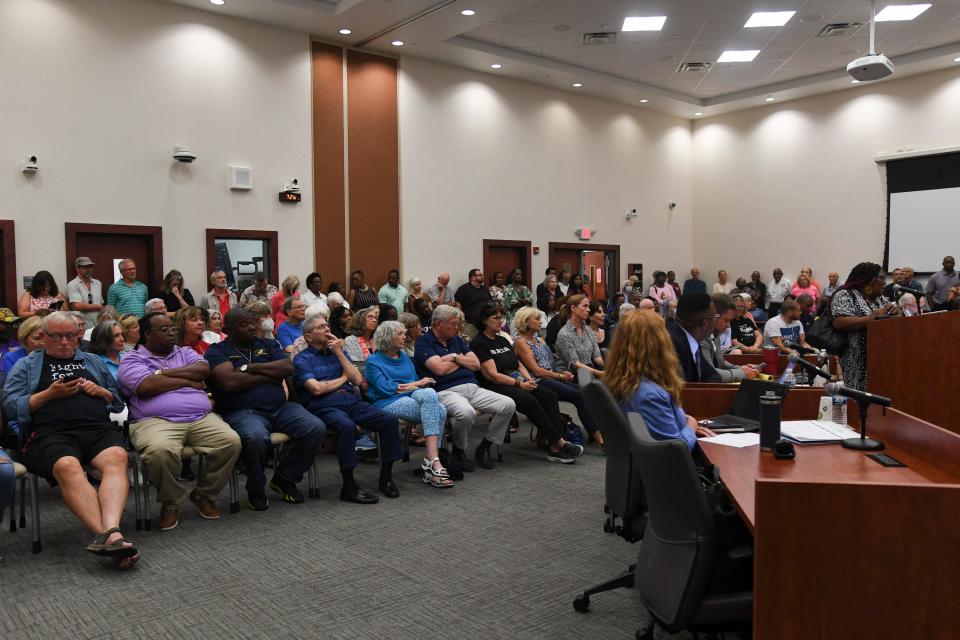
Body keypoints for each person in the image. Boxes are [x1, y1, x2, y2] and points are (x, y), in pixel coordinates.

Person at [2, 311, 137, 568]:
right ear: (43, 337)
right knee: (67, 466)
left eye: (70, 336)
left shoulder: (93, 361)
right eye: (56, 337)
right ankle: (113, 537)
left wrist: (102, 392)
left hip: (96, 429)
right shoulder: (27, 365)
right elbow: (10, 407)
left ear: (78, 336)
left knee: (117, 457)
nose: (64, 342)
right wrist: (48, 395)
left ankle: (109, 532)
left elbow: (117, 399)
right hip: (47, 434)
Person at [118, 313, 241, 530]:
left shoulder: (184, 351)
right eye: (164, 330)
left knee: (231, 441)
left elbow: (203, 370)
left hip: (200, 417)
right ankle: (172, 502)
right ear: (147, 334)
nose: (171, 332)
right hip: (153, 421)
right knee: (159, 451)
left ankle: (204, 495)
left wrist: (161, 373)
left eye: (172, 328)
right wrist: (187, 380)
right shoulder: (132, 358)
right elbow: (146, 386)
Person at [204, 308, 325, 511]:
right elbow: (230, 383)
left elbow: (288, 368)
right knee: (256, 437)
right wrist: (270, 373)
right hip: (242, 410)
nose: (251, 327)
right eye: (244, 324)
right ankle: (256, 489)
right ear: (228, 329)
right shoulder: (217, 351)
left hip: (280, 407)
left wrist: (250, 368)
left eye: (252, 322)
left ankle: (284, 479)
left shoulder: (267, 344)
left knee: (315, 427)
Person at [294, 314, 402, 503]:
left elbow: (358, 380)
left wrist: (339, 353)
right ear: (308, 337)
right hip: (324, 405)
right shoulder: (303, 359)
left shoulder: (338, 353)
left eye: (327, 325)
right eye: (321, 327)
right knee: (346, 426)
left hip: (351, 402)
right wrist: (343, 379)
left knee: (389, 421)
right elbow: (317, 389)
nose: (327, 329)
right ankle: (349, 486)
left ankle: (386, 477)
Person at [471, 304, 583, 464]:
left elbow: (517, 364)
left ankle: (555, 447)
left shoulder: (502, 339)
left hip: (516, 379)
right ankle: (559, 443)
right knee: (530, 401)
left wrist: (527, 379)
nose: (500, 322)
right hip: (497, 385)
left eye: (501, 318)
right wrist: (520, 384)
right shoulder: (479, 343)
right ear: (483, 321)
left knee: (549, 396)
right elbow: (493, 375)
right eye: (495, 318)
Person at [413, 305, 515, 479]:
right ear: (438, 324)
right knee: (465, 413)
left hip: (472, 388)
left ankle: (485, 446)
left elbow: (476, 364)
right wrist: (462, 360)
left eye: (458, 323)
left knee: (508, 404)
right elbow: (439, 369)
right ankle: (459, 451)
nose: (457, 327)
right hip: (446, 391)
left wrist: (453, 357)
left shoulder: (457, 340)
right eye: (453, 324)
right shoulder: (424, 342)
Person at [606, 310, 716, 453]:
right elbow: (675, 450)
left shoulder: (624, 380)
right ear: (659, 343)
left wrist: (684, 421)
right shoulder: (649, 394)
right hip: (672, 469)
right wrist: (691, 426)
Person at [366, 321, 452, 488]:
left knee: (439, 406)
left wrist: (416, 385)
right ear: (388, 337)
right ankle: (433, 462)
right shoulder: (373, 361)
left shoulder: (403, 356)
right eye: (400, 334)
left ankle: (432, 462)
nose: (404, 336)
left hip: (409, 395)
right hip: (386, 402)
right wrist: (417, 385)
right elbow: (385, 389)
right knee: (437, 408)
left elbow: (412, 381)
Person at [513, 306, 603, 447]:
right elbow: (537, 371)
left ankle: (595, 431)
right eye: (536, 319)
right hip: (539, 381)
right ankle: (598, 437)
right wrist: (560, 375)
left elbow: (550, 364)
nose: (540, 321)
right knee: (578, 395)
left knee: (585, 391)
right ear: (526, 322)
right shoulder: (521, 343)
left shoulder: (540, 340)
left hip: (551, 377)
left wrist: (563, 373)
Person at [832, 262, 899, 390]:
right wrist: (871, 318)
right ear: (868, 279)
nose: (885, 282)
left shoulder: (880, 299)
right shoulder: (845, 294)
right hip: (855, 361)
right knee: (857, 400)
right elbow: (839, 322)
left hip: (881, 361)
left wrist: (897, 313)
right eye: (882, 278)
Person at [665, 292, 721, 383]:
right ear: (704, 324)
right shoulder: (672, 344)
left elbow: (711, 374)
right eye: (715, 316)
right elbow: (681, 390)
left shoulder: (691, 340)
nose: (716, 319)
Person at [702, 295, 759, 382]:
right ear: (714, 316)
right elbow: (710, 373)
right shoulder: (702, 338)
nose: (728, 325)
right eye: (726, 320)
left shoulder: (715, 334)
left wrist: (743, 368)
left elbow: (721, 363)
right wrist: (743, 374)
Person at [554, 295, 605, 377]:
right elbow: (576, 364)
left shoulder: (587, 329)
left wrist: (612, 367)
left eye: (588, 306)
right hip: (570, 376)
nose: (588, 310)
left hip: (588, 373)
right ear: (573, 308)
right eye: (585, 306)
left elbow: (596, 357)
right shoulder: (564, 334)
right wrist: (600, 373)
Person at [1, 316, 44, 382]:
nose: (42, 343)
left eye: (46, 338)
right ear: (24, 339)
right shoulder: (11, 357)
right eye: (37, 339)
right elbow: (13, 389)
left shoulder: (55, 354)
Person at [66, 257, 105, 331]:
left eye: (90, 267)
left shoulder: (98, 283)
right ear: (77, 269)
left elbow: (101, 303)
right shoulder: (73, 284)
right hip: (82, 325)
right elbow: (76, 306)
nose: (89, 269)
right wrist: (97, 307)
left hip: (98, 324)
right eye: (85, 267)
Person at [455, 268, 493, 340]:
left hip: (485, 322)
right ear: (473, 277)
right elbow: (458, 304)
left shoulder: (484, 288)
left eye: (482, 275)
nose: (482, 276)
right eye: (480, 275)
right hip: (471, 324)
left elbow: (491, 301)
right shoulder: (464, 289)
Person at [343, 306, 379, 375]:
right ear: (360, 320)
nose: (374, 320)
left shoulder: (377, 340)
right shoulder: (350, 340)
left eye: (375, 318)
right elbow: (356, 366)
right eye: (370, 317)